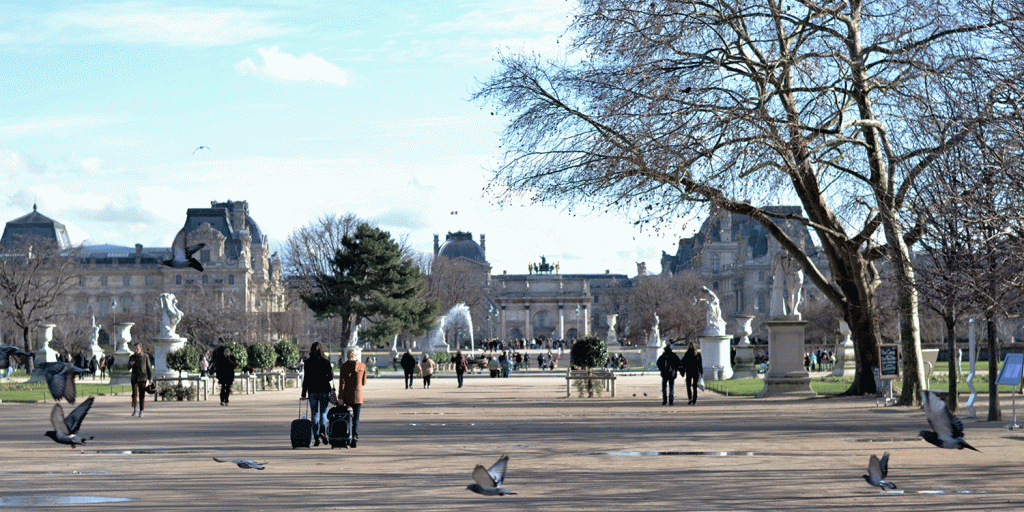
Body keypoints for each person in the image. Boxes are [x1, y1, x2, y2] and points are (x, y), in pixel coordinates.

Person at [300, 341, 334, 447]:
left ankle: (316, 437)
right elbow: (331, 377)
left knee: (314, 414)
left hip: (312, 391)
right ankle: (323, 430)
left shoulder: (308, 362)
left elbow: (306, 379)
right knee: (323, 413)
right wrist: (325, 378)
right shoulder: (325, 361)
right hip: (324, 389)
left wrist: (303, 393)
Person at [338, 347, 367, 448]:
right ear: (356, 355)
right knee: (356, 417)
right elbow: (364, 382)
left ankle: (347, 435)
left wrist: (340, 397)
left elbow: (342, 383)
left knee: (347, 417)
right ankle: (355, 435)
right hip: (358, 395)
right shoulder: (362, 366)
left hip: (347, 395)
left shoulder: (343, 366)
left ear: (347, 355)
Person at [128, 342, 152, 417]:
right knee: (134, 395)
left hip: (143, 378)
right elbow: (128, 367)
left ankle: (141, 411)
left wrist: (150, 378)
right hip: (134, 378)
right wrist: (130, 365)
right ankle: (135, 409)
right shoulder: (132, 357)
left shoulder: (145, 356)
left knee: (142, 395)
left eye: (137, 349)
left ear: (140, 348)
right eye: (135, 349)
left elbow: (149, 368)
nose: (135, 350)